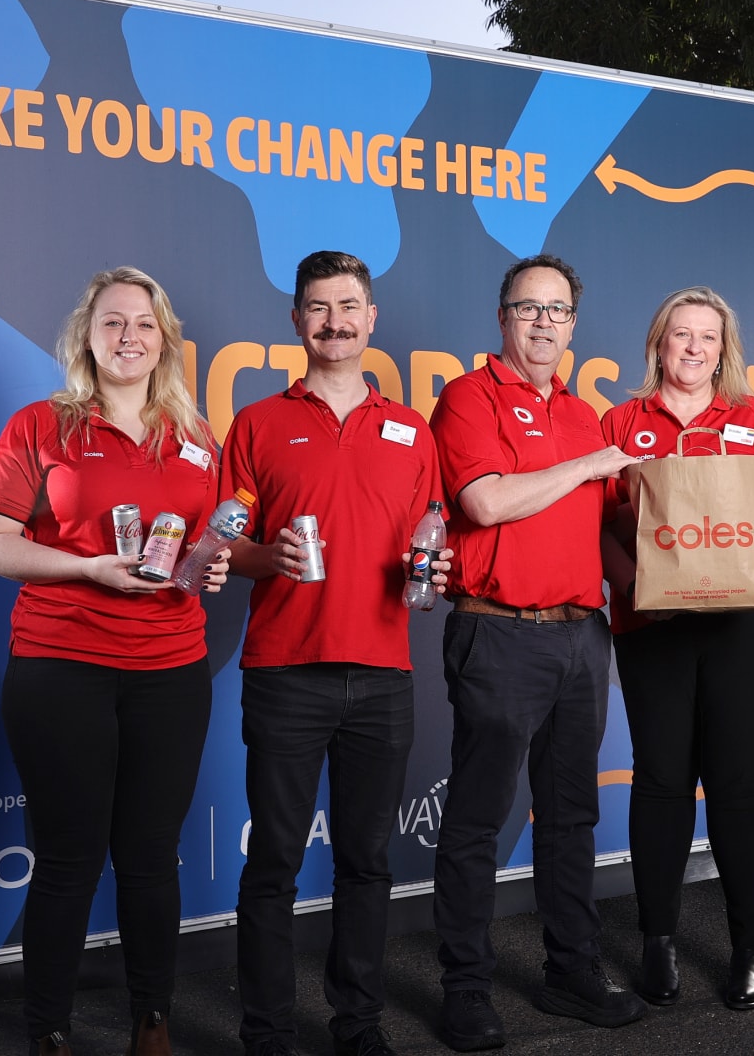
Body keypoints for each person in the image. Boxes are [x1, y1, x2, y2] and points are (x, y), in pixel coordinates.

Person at [0, 267, 227, 1056]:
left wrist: (209, 567)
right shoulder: (40, 427)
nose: (128, 338)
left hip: (172, 668)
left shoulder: (194, 437)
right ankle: (48, 1029)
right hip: (61, 665)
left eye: (144, 325)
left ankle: (153, 1019)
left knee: (150, 857)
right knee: (68, 859)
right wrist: (86, 568)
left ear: (165, 339)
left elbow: (201, 548)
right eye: (112, 323)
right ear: (86, 335)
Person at [221, 251, 446, 1056]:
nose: (335, 322)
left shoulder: (413, 430)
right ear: (296, 321)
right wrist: (264, 556)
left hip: (384, 673)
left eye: (349, 306)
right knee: (274, 863)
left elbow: (430, 538)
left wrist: (438, 566)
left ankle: (358, 1024)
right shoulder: (257, 423)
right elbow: (227, 546)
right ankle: (268, 1031)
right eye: (318, 308)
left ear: (371, 317)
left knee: (367, 863)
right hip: (283, 670)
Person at [428, 255, 645, 1051]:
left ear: (574, 325)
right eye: (530, 309)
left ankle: (572, 972)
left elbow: (605, 535)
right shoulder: (467, 398)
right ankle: (465, 988)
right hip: (499, 630)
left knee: (570, 816)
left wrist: (674, 591)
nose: (545, 323)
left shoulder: (586, 413)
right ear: (503, 319)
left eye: (558, 311)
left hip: (582, 633)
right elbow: (484, 502)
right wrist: (592, 464)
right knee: (480, 820)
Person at [598, 287, 754, 1010]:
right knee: (659, 779)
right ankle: (658, 942)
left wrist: (732, 510)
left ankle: (750, 948)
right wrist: (636, 593)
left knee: (739, 781)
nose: (693, 349)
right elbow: (599, 527)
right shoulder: (620, 423)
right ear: (658, 344)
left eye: (707, 339)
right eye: (680, 335)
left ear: (725, 350)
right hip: (652, 623)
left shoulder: (752, 419)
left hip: (746, 618)